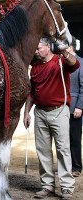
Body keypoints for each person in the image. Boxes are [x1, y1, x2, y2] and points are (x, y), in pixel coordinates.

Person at [23, 38, 80, 199]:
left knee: (63, 150)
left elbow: (75, 64)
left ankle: (67, 187)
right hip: (40, 113)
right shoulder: (34, 67)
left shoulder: (61, 61)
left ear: (48, 47)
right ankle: (47, 186)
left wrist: (64, 50)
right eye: (35, 48)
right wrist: (26, 112)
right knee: (43, 151)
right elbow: (32, 93)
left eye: (39, 48)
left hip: (59, 110)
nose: (36, 51)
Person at [68, 37, 83, 178]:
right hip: (61, 107)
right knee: (62, 140)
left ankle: (77, 167)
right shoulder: (62, 63)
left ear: (70, 48)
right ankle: (66, 166)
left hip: (75, 108)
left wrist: (79, 106)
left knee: (75, 139)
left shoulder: (81, 63)